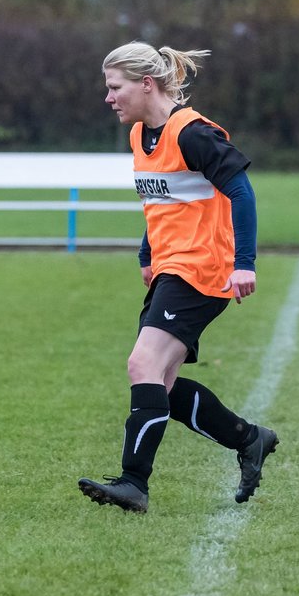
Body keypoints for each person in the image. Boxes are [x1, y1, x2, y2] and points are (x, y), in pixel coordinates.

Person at [78, 41, 277, 513]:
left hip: (202, 268)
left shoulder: (192, 133)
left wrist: (244, 262)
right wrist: (147, 251)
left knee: (141, 366)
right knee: (159, 387)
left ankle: (134, 484)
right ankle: (250, 439)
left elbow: (242, 192)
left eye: (115, 87)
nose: (108, 97)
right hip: (171, 267)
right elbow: (160, 201)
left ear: (146, 84)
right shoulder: (140, 136)